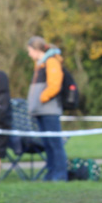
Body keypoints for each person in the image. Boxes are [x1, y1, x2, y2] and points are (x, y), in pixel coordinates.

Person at [26, 37, 69, 182]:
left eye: (30, 50)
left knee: (55, 143)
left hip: (49, 110)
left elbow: (55, 85)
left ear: (36, 50)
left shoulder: (51, 62)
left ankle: (60, 174)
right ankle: (51, 173)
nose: (29, 54)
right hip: (40, 111)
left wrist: (42, 98)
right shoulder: (40, 64)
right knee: (47, 144)